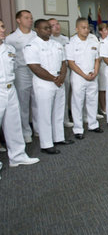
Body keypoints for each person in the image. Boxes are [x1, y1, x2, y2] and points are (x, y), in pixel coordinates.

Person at [25, 19, 74, 154]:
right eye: (45, 28)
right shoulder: (32, 46)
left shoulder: (56, 44)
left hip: (59, 80)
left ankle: (59, 137)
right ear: (37, 29)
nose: (48, 30)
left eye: (49, 28)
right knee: (45, 113)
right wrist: (53, 79)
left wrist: (62, 77)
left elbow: (64, 63)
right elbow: (34, 67)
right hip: (44, 82)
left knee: (59, 110)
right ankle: (46, 144)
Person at [0, 19, 40, 168]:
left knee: (13, 124)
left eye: (3, 27)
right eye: (0, 28)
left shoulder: (9, 48)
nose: (3, 30)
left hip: (10, 89)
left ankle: (17, 156)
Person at [66, 18, 103, 140]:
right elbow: (71, 63)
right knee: (78, 103)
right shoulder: (71, 43)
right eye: (83, 27)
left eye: (87, 27)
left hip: (93, 76)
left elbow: (97, 59)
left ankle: (93, 124)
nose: (86, 30)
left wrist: (96, 72)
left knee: (92, 100)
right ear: (76, 29)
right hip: (79, 77)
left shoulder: (93, 41)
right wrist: (84, 75)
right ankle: (78, 129)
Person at [5, 10, 38, 143]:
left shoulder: (36, 35)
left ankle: (38, 129)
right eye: (26, 18)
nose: (30, 20)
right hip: (21, 71)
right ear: (18, 20)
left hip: (36, 71)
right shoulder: (11, 38)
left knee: (38, 102)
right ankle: (26, 131)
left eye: (31, 18)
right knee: (23, 104)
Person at [48, 18, 73, 128]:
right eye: (53, 25)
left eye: (57, 24)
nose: (57, 26)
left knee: (65, 96)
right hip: (51, 73)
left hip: (65, 71)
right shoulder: (47, 40)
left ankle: (65, 119)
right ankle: (53, 122)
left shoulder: (66, 38)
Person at [97, 23, 108, 115]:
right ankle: (103, 107)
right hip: (102, 67)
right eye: (105, 30)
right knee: (102, 89)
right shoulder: (98, 43)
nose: (107, 32)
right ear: (100, 32)